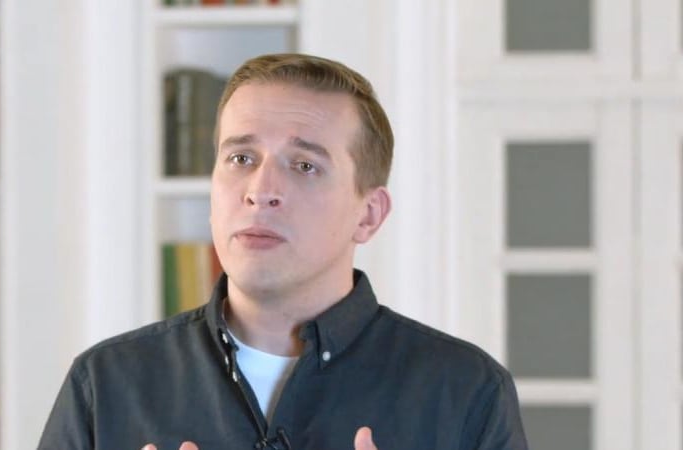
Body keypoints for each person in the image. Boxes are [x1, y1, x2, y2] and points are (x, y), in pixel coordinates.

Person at [38, 53, 529, 450]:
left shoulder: (467, 391)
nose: (260, 190)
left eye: (304, 165)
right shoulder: (104, 384)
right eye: (241, 158)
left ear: (369, 214)